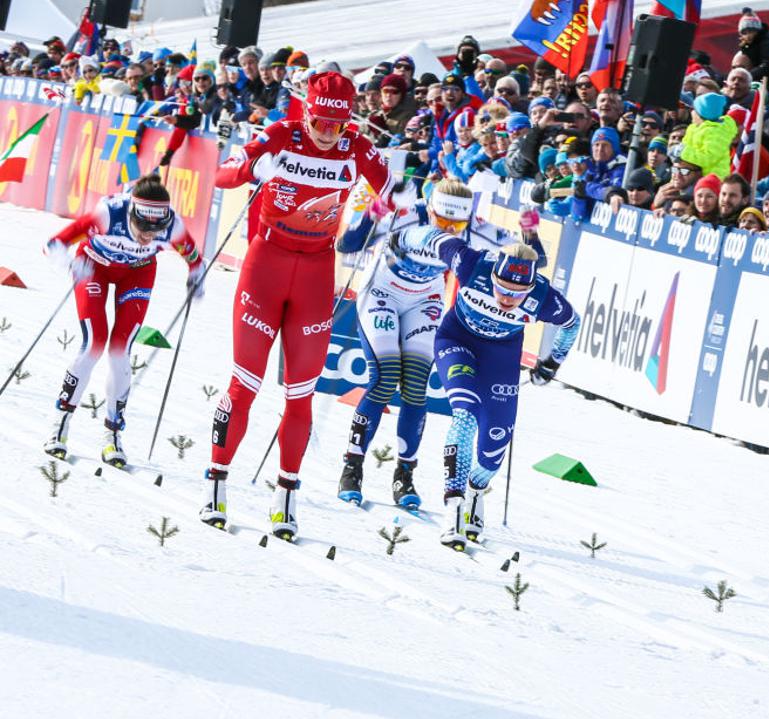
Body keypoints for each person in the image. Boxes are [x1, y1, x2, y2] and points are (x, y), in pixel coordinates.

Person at [201, 71, 398, 540]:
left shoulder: (356, 146)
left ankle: (285, 496)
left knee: (300, 393)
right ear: (306, 112)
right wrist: (254, 169)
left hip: (315, 273)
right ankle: (216, 484)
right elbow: (222, 174)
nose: (327, 133)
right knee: (244, 383)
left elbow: (395, 192)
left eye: (337, 124)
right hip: (265, 264)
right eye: (320, 122)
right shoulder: (279, 134)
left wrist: (394, 202)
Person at [334, 180, 546, 507]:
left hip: (425, 299)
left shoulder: (476, 229)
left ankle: (405, 475)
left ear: (469, 218)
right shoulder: (407, 215)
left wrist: (530, 233)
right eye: (442, 222)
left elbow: (532, 263)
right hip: (382, 293)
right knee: (386, 376)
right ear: (429, 209)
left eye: (456, 225)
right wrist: (375, 211)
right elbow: (347, 244)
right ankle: (353, 465)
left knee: (417, 386)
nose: (448, 230)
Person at [391, 227, 580, 550]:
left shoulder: (545, 298)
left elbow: (572, 323)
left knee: (494, 445)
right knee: (464, 413)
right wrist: (401, 239)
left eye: (517, 295)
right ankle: (454, 508)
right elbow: (433, 238)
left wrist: (551, 363)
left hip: (501, 358)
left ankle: (477, 488)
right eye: (502, 289)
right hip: (457, 341)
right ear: (491, 275)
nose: (507, 299)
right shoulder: (471, 264)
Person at [42, 175, 200, 466]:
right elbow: (54, 244)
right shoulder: (108, 214)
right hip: (95, 267)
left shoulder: (173, 225)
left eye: (157, 228)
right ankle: (60, 424)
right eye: (143, 227)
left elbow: (195, 259)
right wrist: (69, 264)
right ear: (131, 214)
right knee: (94, 343)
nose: (149, 235)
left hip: (137, 273)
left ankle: (112, 434)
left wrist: (195, 277)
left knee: (119, 350)